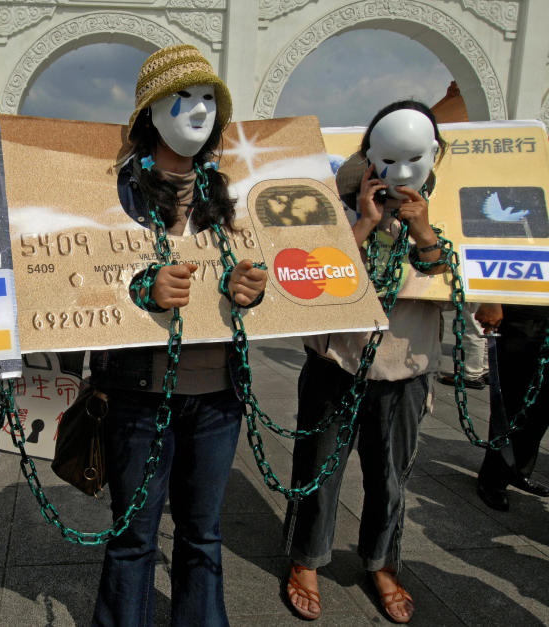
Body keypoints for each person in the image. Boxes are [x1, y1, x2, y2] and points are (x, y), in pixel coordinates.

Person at [88, 44, 268, 626]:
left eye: (209, 100)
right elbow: (85, 274)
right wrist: (144, 289)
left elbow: (256, 271)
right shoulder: (115, 190)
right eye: (182, 98)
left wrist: (249, 287)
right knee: (135, 536)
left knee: (202, 534)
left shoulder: (229, 192)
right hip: (139, 392)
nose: (199, 111)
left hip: (218, 393)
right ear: (149, 113)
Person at [282, 101, 449, 624]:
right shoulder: (335, 199)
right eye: (387, 159)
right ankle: (306, 558)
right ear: (368, 156)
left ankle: (380, 562)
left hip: (405, 364)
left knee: (390, 475)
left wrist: (423, 234)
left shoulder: (453, 208)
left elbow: (461, 289)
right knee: (317, 467)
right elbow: (309, 276)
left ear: (435, 155)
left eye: (415, 158)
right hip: (338, 359)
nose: (400, 174)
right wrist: (364, 223)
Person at [474, 303, 549, 510]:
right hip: (523, 309)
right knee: (512, 397)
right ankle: (492, 479)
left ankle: (518, 470)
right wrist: (492, 299)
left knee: (543, 406)